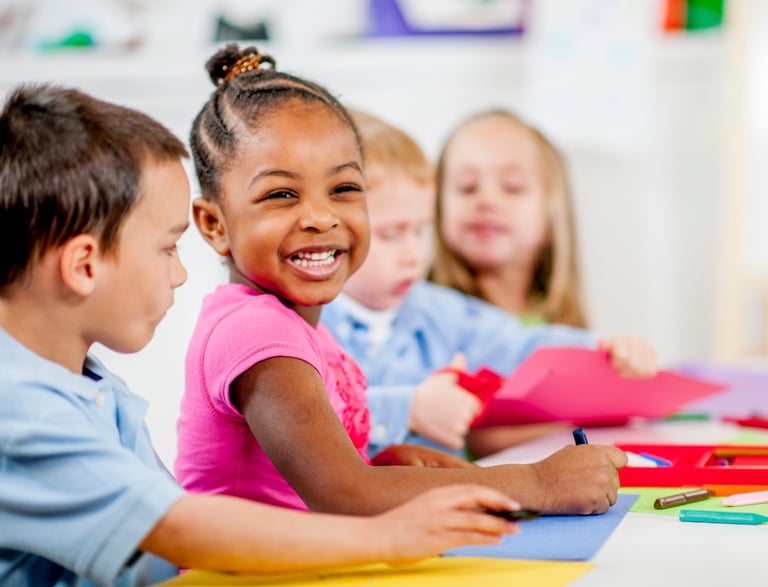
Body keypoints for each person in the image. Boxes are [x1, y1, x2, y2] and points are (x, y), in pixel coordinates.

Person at [0, 83, 529, 587]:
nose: (180, 274)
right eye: (167, 249)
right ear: (85, 265)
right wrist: (382, 534)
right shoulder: (21, 412)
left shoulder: (81, 382)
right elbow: (177, 529)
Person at [176, 43, 627, 521]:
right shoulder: (257, 334)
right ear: (214, 225)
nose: (321, 217)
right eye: (282, 194)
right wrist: (538, 483)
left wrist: (385, 464)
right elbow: (346, 494)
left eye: (344, 188)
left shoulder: (302, 328)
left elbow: (320, 481)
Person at [321, 110, 658, 459]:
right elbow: (303, 414)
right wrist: (408, 409)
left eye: (421, 231)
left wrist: (604, 350)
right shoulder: (307, 323)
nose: (414, 255)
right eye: (392, 234)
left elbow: (518, 345)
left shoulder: (438, 310)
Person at [430, 109, 588, 327]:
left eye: (513, 187)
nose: (486, 200)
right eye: (467, 187)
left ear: (552, 215)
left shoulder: (563, 332)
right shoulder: (422, 320)